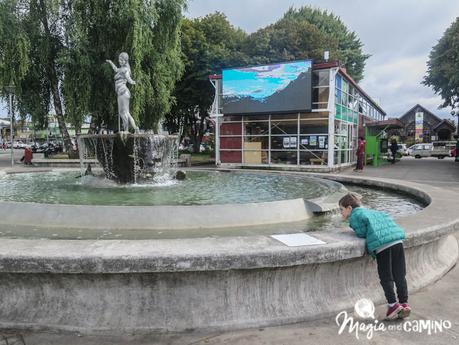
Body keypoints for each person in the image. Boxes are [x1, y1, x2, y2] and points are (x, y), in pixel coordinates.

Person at [339, 193, 410, 320]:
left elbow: (361, 233)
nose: (341, 213)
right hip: (397, 240)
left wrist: (353, 227)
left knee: (386, 277)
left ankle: (393, 305)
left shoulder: (355, 216)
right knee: (399, 274)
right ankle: (404, 303)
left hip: (383, 245)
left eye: (341, 210)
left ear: (349, 208)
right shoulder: (370, 211)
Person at [106, 52, 139, 133]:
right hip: (120, 92)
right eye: (119, 60)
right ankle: (134, 128)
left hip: (123, 92)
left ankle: (127, 130)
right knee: (123, 112)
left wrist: (134, 82)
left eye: (122, 60)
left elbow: (129, 79)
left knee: (124, 112)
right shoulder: (121, 69)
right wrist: (111, 63)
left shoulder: (126, 70)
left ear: (125, 61)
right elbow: (116, 69)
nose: (120, 61)